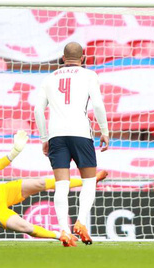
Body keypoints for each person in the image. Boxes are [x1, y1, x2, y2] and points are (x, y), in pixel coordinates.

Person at [34, 42, 110, 247]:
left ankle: (65, 232)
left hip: (57, 136)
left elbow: (38, 110)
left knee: (61, 184)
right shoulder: (89, 75)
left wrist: (44, 139)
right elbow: (98, 104)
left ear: (62, 58)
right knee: (89, 180)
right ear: (83, 58)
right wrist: (104, 130)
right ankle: (82, 222)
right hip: (81, 134)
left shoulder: (49, 78)